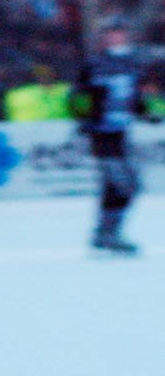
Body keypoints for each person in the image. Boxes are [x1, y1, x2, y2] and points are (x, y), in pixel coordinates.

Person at [69, 20, 157, 255]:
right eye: (112, 34)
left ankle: (108, 231)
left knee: (122, 183)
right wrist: (84, 119)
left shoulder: (132, 64)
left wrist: (147, 113)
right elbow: (77, 96)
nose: (117, 38)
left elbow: (134, 98)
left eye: (120, 33)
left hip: (120, 133)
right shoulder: (94, 65)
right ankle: (107, 231)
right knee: (121, 181)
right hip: (101, 133)